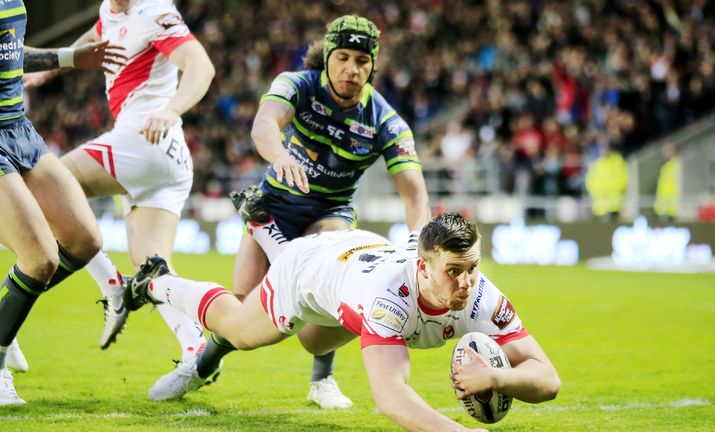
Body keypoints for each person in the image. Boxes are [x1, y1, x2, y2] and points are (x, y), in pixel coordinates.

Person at [151, 14, 430, 407]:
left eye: (362, 61)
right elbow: (264, 124)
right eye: (344, 57)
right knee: (243, 315)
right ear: (328, 56)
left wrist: (417, 242)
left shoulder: (386, 121)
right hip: (275, 204)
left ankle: (322, 380)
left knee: (326, 290)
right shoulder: (296, 84)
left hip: (330, 212)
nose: (352, 69)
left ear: (373, 67)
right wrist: (280, 155)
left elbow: (415, 194)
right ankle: (201, 367)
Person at [124, 213, 560, 431]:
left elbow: (548, 378)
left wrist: (500, 379)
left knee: (314, 344)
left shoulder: (483, 297)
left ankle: (265, 228)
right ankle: (156, 281)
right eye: (454, 271)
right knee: (240, 329)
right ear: (424, 268)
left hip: (358, 259)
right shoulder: (387, 300)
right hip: (310, 273)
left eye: (473, 267)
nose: (466, 282)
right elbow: (391, 396)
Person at [18, 0, 215, 377]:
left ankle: (112, 286)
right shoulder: (113, 8)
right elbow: (96, 35)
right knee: (153, 268)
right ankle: (196, 351)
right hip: (167, 159)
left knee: (51, 184)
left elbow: (200, 65)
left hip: (144, 139)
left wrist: (173, 109)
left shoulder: (155, 12)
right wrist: (52, 70)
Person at [0, 0, 128, 405]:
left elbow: (10, 51)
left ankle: (5, 318)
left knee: (85, 239)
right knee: (39, 259)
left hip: (17, 128)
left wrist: (71, 57)